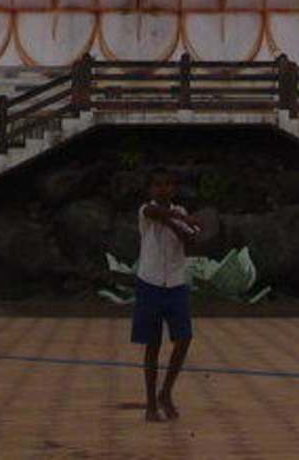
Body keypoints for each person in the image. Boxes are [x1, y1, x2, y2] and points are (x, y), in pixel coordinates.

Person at [133, 165, 201, 423]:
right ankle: (151, 403)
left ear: (175, 188)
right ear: (150, 189)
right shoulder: (146, 210)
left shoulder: (181, 212)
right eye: (158, 185)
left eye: (169, 184)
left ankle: (166, 391)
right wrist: (179, 221)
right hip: (149, 282)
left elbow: (191, 241)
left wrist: (184, 224)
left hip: (175, 283)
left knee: (184, 338)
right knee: (152, 344)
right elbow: (155, 213)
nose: (164, 189)